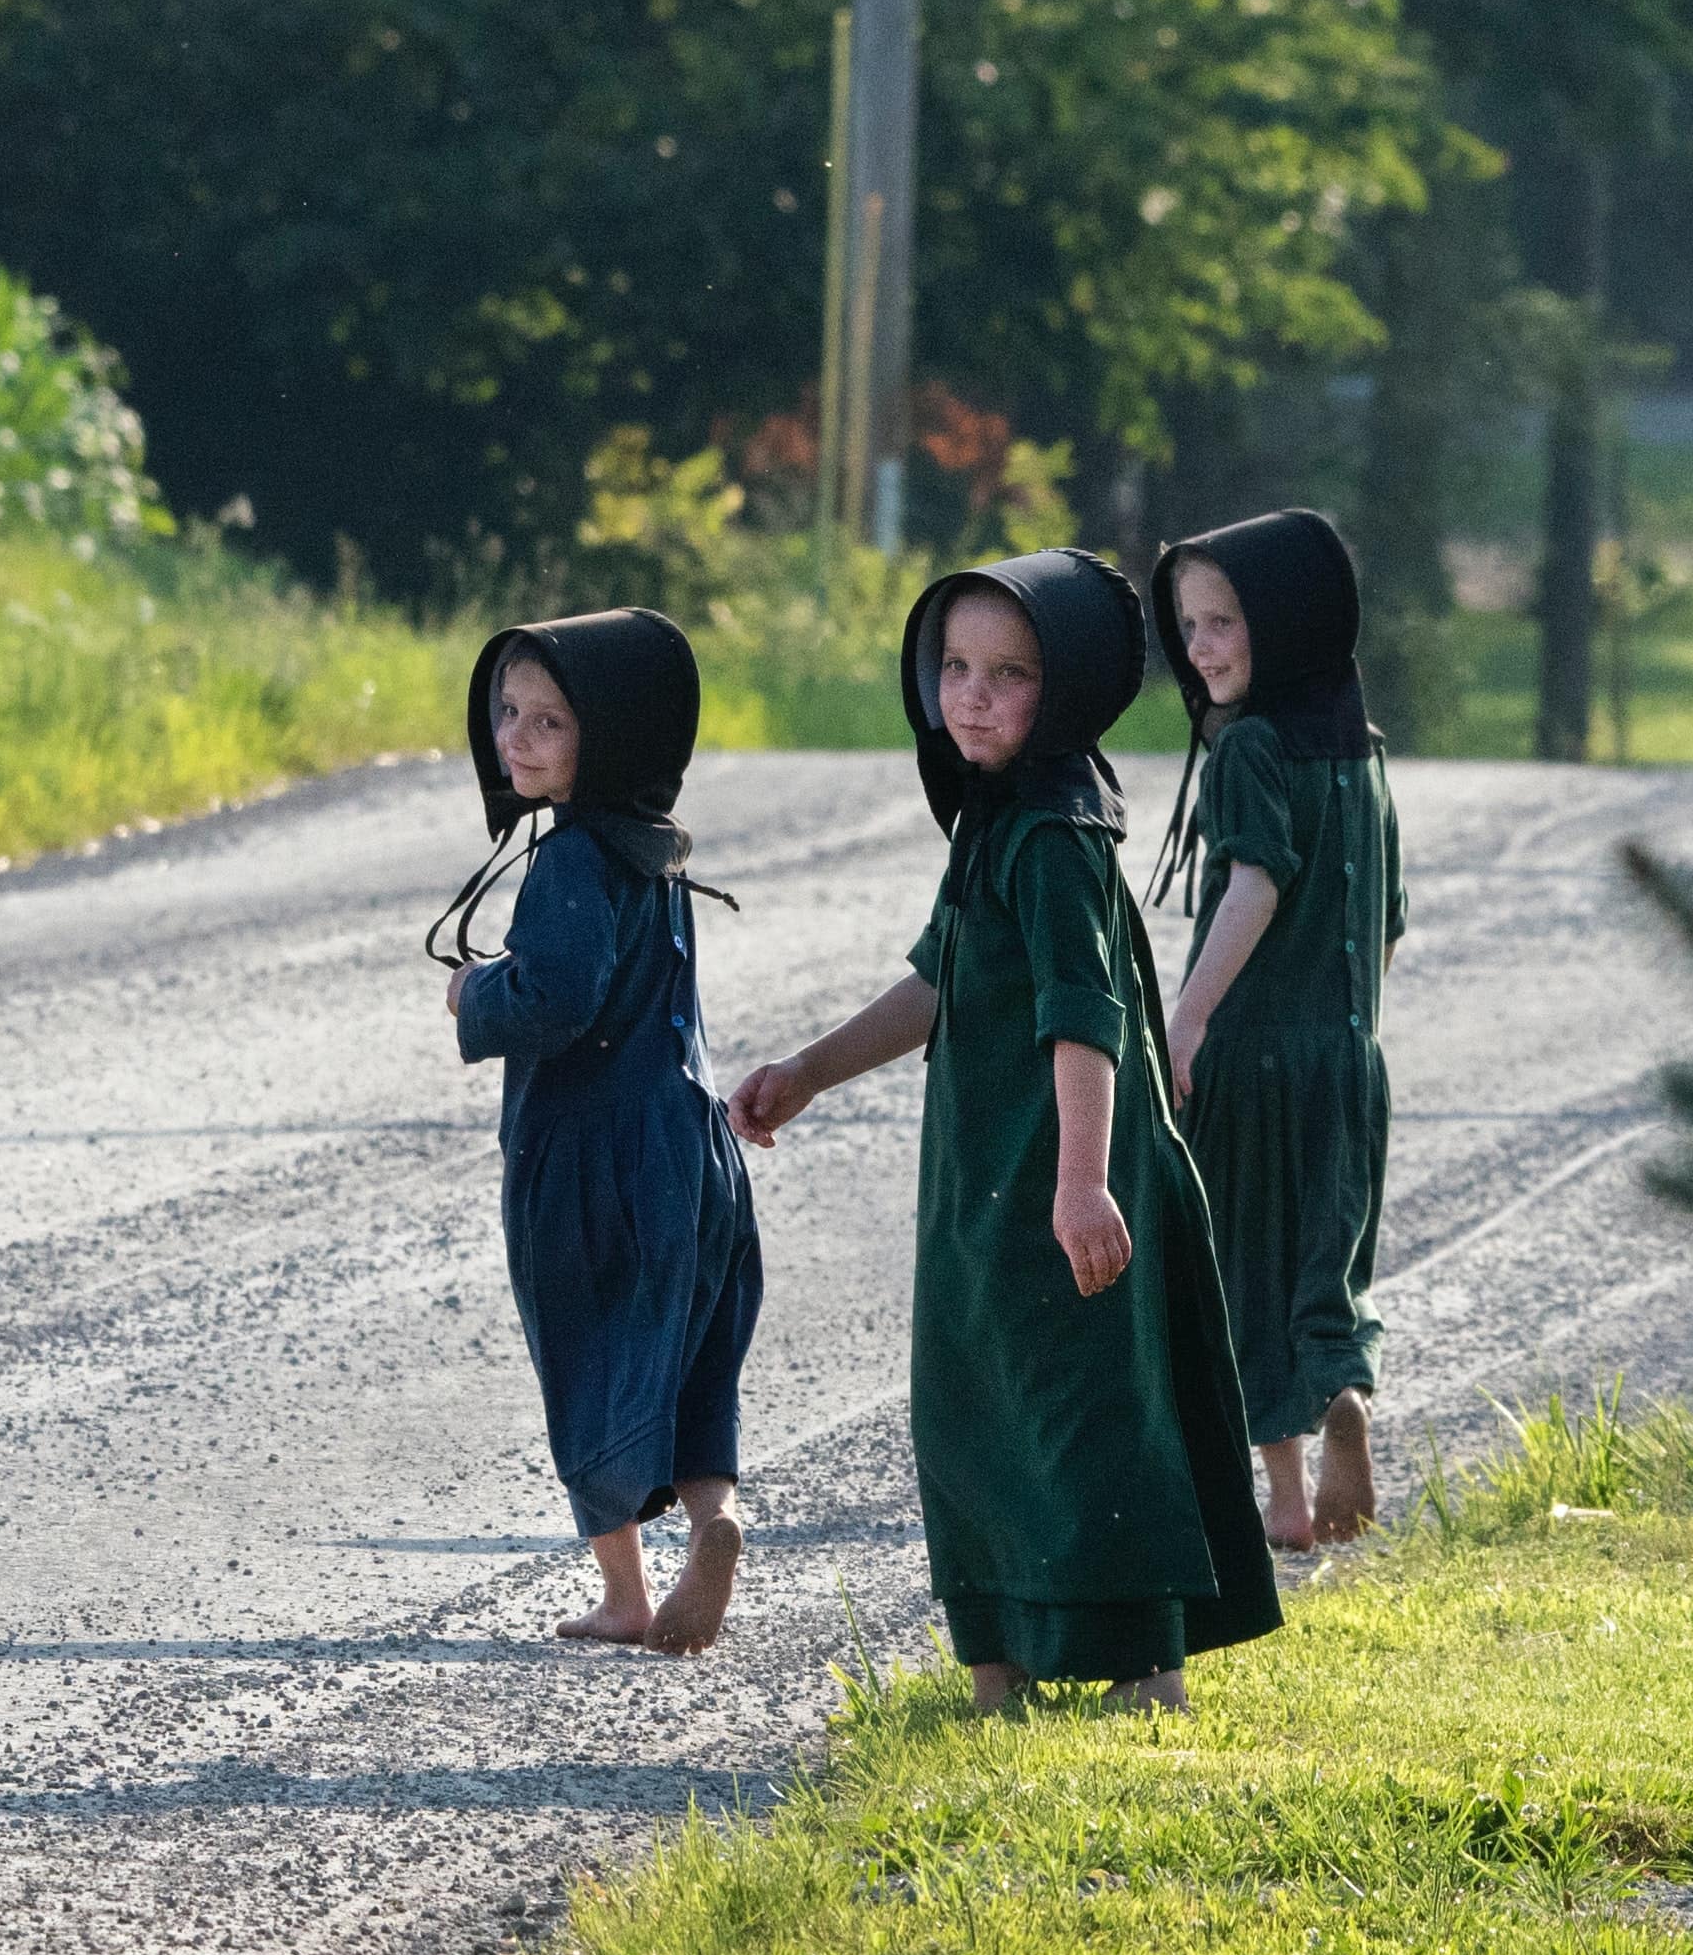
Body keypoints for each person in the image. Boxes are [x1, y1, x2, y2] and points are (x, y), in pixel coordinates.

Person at [726, 549, 1280, 1713]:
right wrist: (810, 1070)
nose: (971, 693)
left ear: (1066, 689)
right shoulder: (995, 819)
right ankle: (1001, 1668)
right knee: (971, 1405)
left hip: (1062, 1174)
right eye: (955, 666)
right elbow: (939, 978)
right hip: (985, 1180)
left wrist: (1081, 1185)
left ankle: (1146, 1671)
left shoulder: (1057, 839)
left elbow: (1087, 1020)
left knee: (1089, 1412)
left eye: (1009, 672)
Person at [441, 606, 764, 1653]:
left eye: (548, 721)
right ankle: (716, 1519)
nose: (515, 738)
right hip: (693, 1144)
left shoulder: (571, 861)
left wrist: (476, 997)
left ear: (608, 736)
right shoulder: (657, 851)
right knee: (691, 1353)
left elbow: (557, 999)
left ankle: (625, 1592)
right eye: (506, 712)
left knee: (584, 1350)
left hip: (589, 1159)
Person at [1147, 508, 1406, 1552]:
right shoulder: (1363, 758)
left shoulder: (1249, 748)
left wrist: (1188, 1016)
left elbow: (1254, 879)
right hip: (1350, 1054)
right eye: (1189, 626)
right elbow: (1385, 921)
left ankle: (1286, 1498)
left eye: (1222, 622)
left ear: (1288, 624)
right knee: (1326, 1259)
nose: (1201, 646)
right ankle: (1342, 1387)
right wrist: (1345, 1026)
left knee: (1238, 1268)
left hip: (1249, 1051)